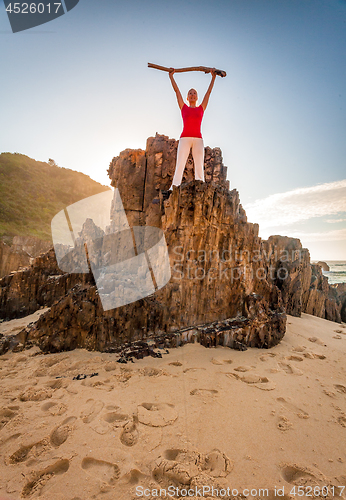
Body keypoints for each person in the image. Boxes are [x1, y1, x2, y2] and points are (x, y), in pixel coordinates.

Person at [167, 67, 217, 190]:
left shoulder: (201, 108)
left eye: (194, 93)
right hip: (185, 138)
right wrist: (171, 76)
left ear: (197, 97)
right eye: (190, 93)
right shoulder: (183, 107)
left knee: (199, 165)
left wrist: (213, 77)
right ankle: (173, 188)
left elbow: (209, 93)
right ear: (187, 97)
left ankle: (201, 189)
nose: (192, 94)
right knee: (180, 164)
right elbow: (176, 91)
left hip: (198, 140)